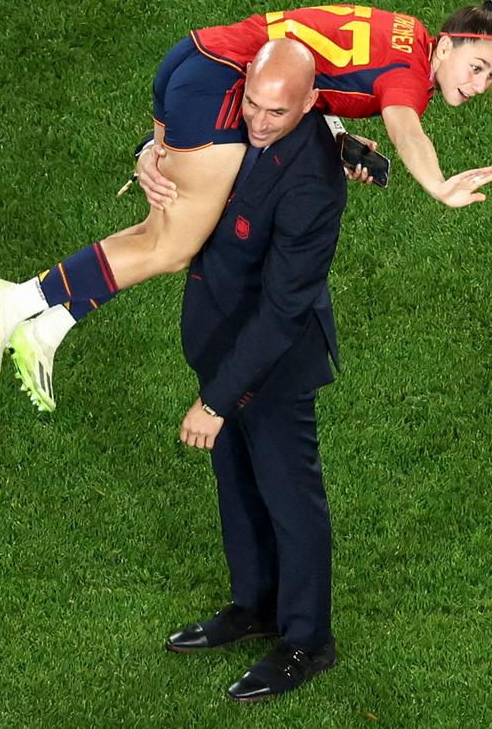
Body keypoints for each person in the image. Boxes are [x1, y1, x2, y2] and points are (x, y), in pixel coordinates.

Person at [0, 0, 492, 411]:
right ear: (444, 45)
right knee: (173, 246)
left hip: (197, 59)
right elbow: (404, 127)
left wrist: (335, 137)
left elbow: (316, 72)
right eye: (476, 67)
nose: (481, 84)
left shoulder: (405, 32)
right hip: (224, 86)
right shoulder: (409, 77)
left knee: (169, 228)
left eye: (491, 75)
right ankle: (17, 301)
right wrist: (438, 184)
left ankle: (48, 328)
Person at [166, 38, 346, 702]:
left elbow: (279, 311)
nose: (259, 122)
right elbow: (182, 151)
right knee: (237, 480)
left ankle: (307, 639)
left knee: (291, 500)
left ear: (311, 103)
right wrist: (149, 159)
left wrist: (214, 401)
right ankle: (256, 604)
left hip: (273, 362)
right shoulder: (231, 115)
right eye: (254, 104)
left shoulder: (314, 180)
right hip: (220, 342)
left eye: (277, 112)